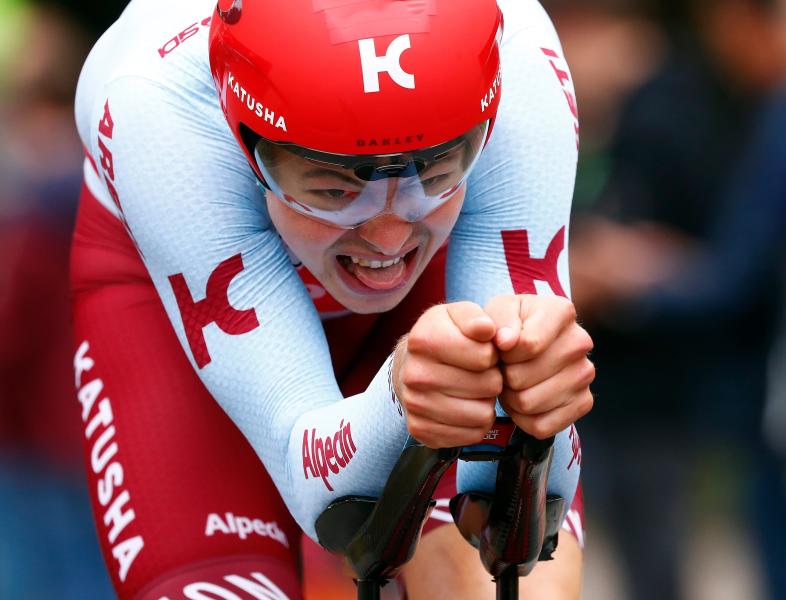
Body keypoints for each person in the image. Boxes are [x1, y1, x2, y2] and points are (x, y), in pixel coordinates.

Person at [70, 1, 593, 599]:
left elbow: (517, 502)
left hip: (439, 289)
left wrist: (537, 400)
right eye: (331, 186)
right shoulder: (159, 106)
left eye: (439, 168)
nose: (389, 236)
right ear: (247, 144)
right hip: (179, 308)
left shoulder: (517, 53)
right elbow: (321, 486)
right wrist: (399, 403)